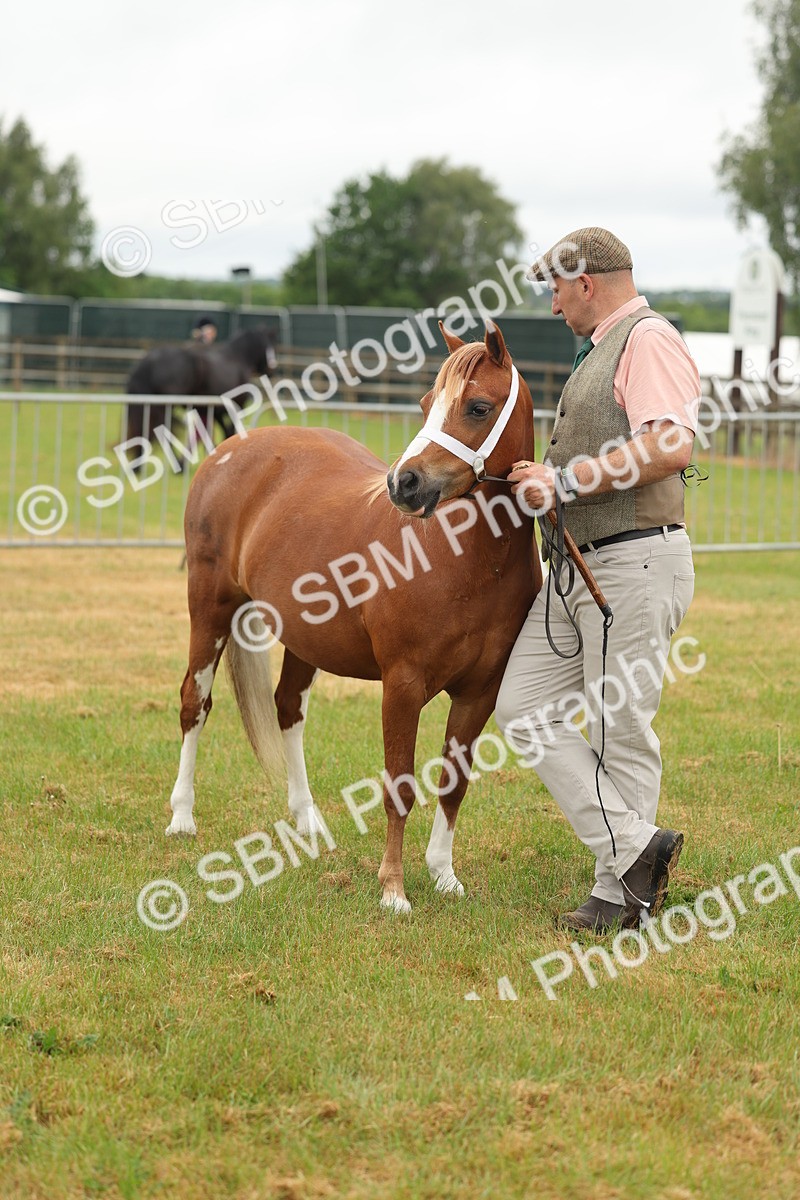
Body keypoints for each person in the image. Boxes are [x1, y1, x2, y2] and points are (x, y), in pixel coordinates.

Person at [495, 227, 700, 933]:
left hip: (634, 559)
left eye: (555, 287)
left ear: (585, 282)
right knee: (522, 707)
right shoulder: (601, 346)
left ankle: (620, 896)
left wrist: (567, 479)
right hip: (580, 567)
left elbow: (671, 443)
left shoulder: (647, 337)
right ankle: (638, 848)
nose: (552, 305)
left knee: (621, 730)